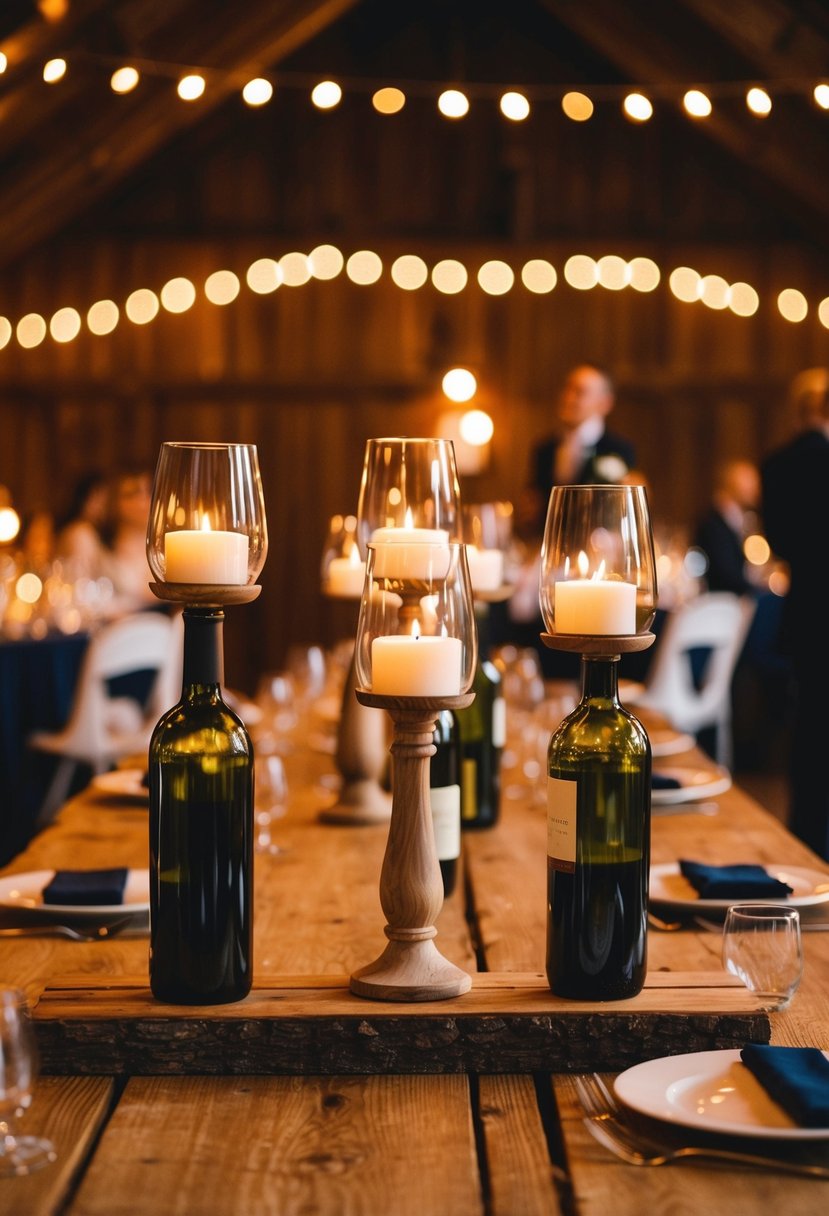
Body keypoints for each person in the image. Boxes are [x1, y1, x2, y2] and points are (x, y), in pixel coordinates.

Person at [761, 367, 829, 860]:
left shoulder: (777, 462)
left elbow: (779, 542)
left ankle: (804, 836)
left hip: (804, 608)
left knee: (808, 726)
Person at [529, 363, 637, 530]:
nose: (568, 398)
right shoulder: (544, 448)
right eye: (567, 389)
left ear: (605, 403)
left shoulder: (619, 449)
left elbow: (624, 514)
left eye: (580, 392)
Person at [693, 459, 761, 595]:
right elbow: (726, 575)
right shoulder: (713, 524)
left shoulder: (741, 519)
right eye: (749, 481)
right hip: (721, 604)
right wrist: (759, 590)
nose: (756, 487)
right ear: (732, 484)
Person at [54, 471, 111, 579]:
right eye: (97, 499)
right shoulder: (80, 533)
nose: (102, 507)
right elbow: (82, 578)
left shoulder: (78, 530)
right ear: (83, 499)